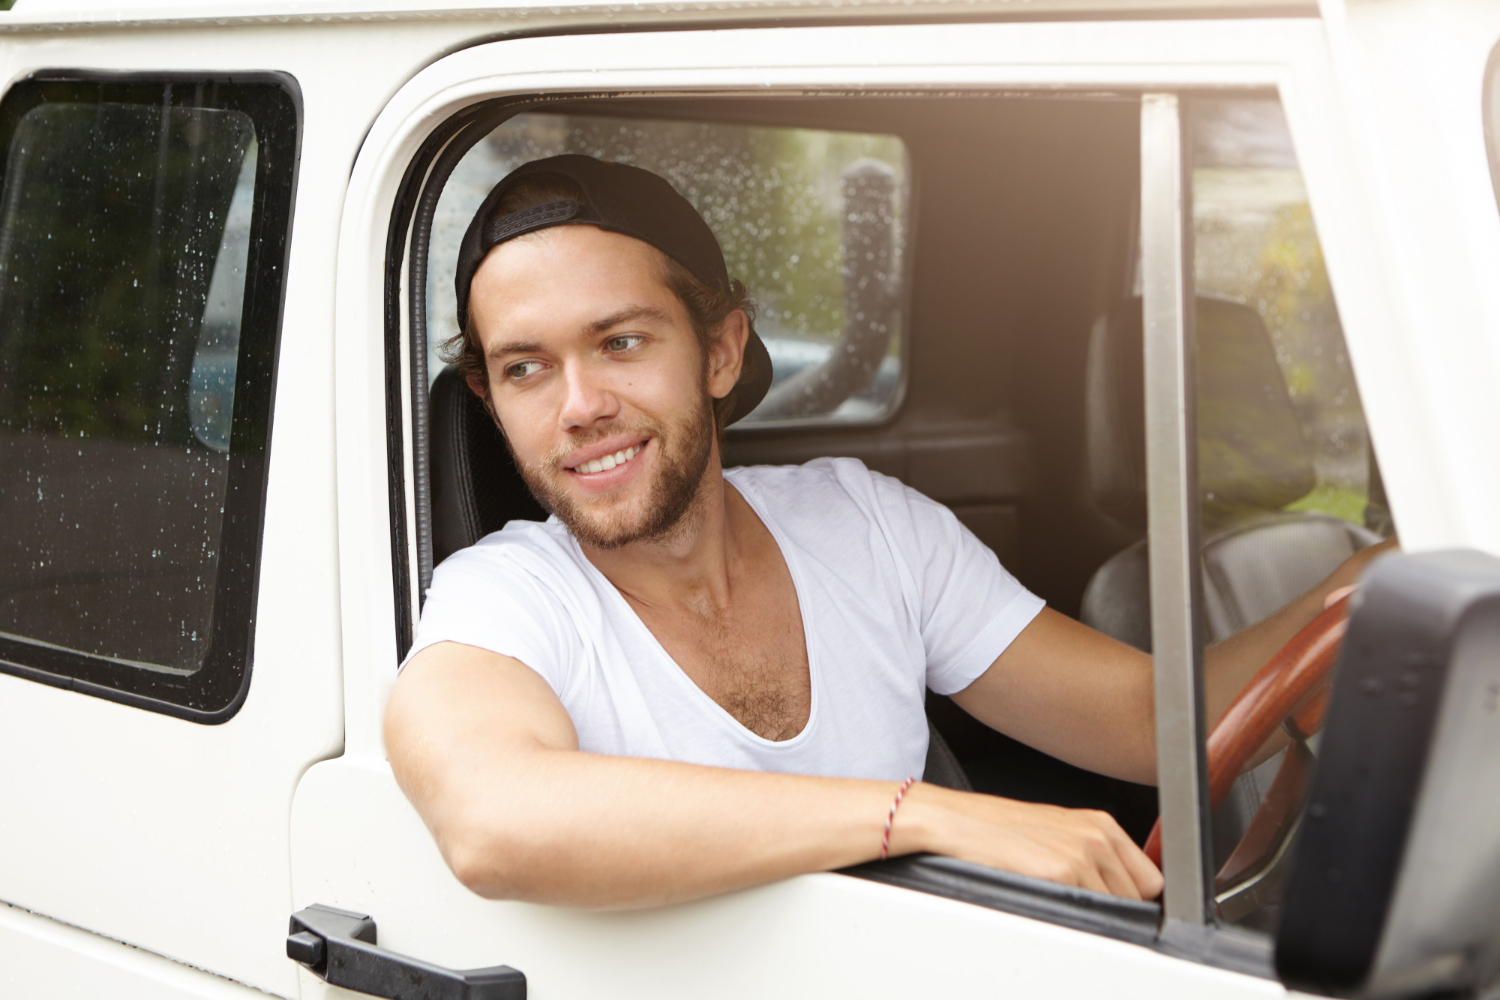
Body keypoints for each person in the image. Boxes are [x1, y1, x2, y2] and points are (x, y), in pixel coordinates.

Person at [384, 154, 1390, 909]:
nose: (578, 406)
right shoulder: (502, 595)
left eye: (621, 342)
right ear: (491, 394)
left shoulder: (865, 521)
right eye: (526, 368)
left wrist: (1378, 587)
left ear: (723, 349)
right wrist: (928, 815)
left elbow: (1149, 723)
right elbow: (490, 819)